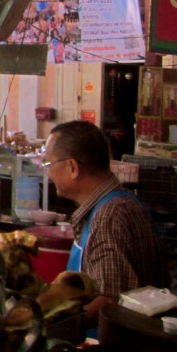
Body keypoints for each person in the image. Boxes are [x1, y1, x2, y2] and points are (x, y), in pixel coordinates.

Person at [41, 120, 161, 326]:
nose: (47, 173)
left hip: (113, 351)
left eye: (48, 164)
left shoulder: (110, 214)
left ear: (72, 167)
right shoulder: (109, 205)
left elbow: (109, 300)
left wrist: (46, 326)